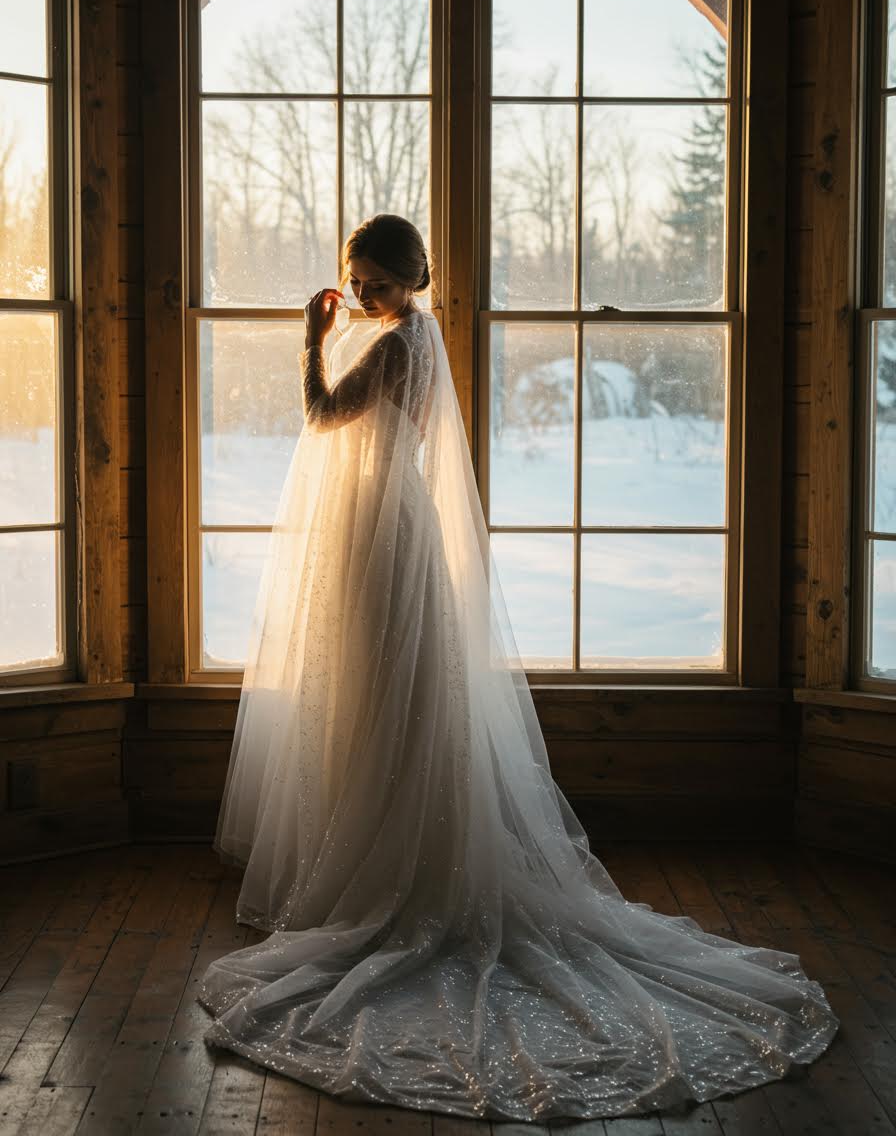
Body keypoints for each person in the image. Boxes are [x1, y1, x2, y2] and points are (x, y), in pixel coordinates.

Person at [197, 213, 838, 1121]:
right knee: (378, 694)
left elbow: (320, 416)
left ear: (412, 281)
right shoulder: (414, 335)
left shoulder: (391, 344)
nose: (365, 295)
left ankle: (391, 868)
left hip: (382, 532)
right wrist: (349, 324)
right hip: (387, 523)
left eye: (378, 283)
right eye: (357, 280)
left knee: (388, 694)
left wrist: (312, 341)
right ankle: (366, 848)